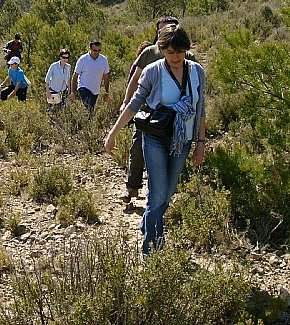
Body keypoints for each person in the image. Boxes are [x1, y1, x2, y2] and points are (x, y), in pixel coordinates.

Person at [104, 25, 206, 257]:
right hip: (155, 137)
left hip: (183, 139)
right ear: (162, 50)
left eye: (180, 52)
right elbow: (135, 103)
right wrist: (113, 133)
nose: (175, 57)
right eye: (170, 52)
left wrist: (200, 143)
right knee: (158, 192)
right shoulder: (153, 71)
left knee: (168, 192)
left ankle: (149, 221)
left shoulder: (197, 71)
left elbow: (201, 108)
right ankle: (151, 248)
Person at [119, 16, 196, 203]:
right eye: (163, 29)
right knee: (137, 149)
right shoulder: (149, 53)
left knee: (171, 155)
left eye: (172, 27)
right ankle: (132, 187)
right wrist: (126, 101)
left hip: (175, 117)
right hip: (147, 113)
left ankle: (158, 195)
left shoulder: (188, 56)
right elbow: (135, 79)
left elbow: (196, 88)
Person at [71, 40, 110, 114]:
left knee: (90, 109)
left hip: (95, 90)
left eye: (99, 50)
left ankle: (85, 120)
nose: (97, 52)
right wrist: (73, 91)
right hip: (83, 87)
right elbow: (75, 76)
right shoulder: (83, 59)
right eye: (95, 50)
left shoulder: (103, 60)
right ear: (90, 48)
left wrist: (106, 92)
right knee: (89, 108)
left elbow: (106, 77)